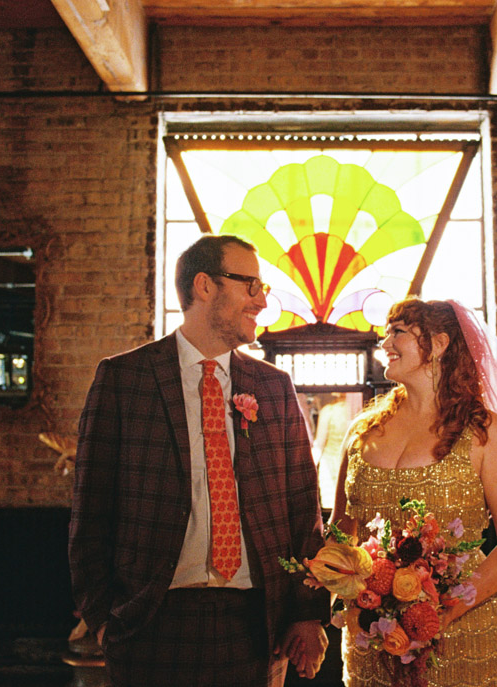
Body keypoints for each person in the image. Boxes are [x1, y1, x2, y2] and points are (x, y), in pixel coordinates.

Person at [69, 234, 330, 687]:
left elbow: (302, 512)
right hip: (152, 621)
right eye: (251, 285)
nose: (262, 301)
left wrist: (308, 614)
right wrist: (106, 621)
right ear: (205, 286)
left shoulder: (273, 388)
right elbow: (90, 512)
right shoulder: (124, 379)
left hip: (256, 623)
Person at [329, 298, 497, 687]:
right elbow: (341, 532)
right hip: (375, 635)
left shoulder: (485, 434)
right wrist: (345, 588)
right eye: (385, 333)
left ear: (440, 344)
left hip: (463, 633)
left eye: (398, 332)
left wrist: (445, 608)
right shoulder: (361, 432)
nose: (384, 343)